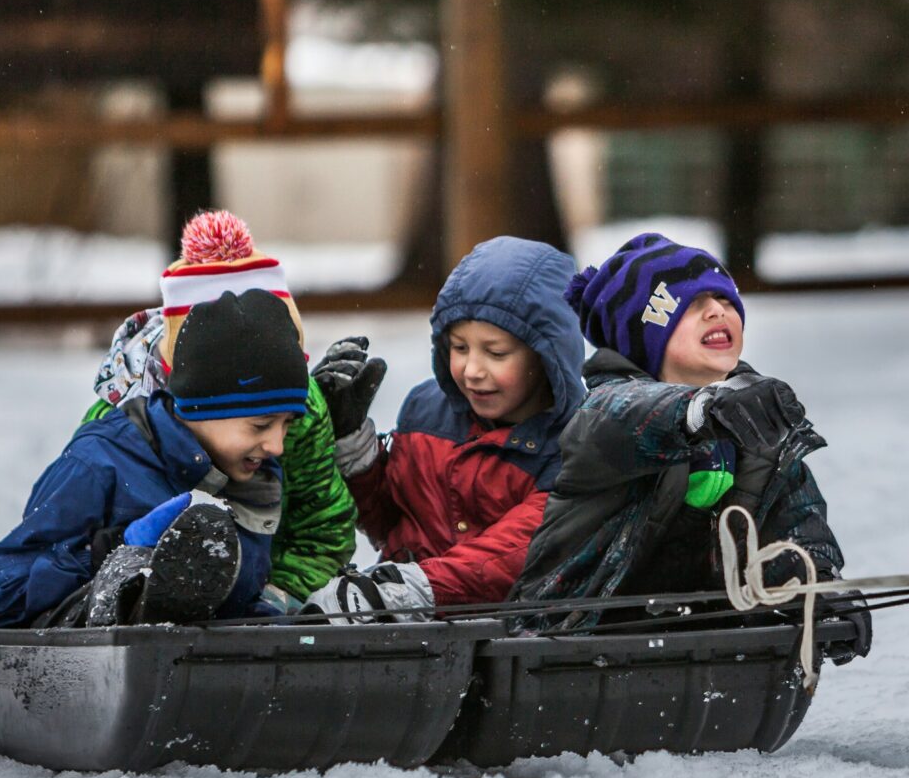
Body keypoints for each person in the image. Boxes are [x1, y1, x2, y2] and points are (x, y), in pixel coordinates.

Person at [513, 232, 870, 659]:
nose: (716, 310)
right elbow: (630, 415)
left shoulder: (756, 420)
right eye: (691, 305)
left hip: (708, 643)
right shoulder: (605, 414)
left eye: (723, 299)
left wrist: (817, 590)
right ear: (643, 338)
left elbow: (795, 522)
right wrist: (699, 410)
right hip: (565, 646)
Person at [0, 288, 310, 627]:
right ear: (203, 408)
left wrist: (287, 624)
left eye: (286, 425)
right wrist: (110, 548)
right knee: (129, 578)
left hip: (191, 666)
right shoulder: (100, 463)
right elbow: (5, 596)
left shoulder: (255, 478)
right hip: (89, 661)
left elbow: (235, 605)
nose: (277, 446)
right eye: (261, 425)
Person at [304, 236, 588, 615]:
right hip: (403, 630)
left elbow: (514, 555)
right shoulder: (427, 412)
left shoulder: (575, 445)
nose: (472, 370)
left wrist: (404, 591)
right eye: (459, 347)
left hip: (505, 641)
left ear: (547, 354)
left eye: (496, 352)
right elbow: (388, 518)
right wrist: (350, 446)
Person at [85, 212, 355, 611]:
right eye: (261, 422)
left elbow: (322, 529)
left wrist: (279, 596)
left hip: (264, 595)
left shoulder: (302, 412)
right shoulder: (118, 422)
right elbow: (68, 544)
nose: (277, 442)